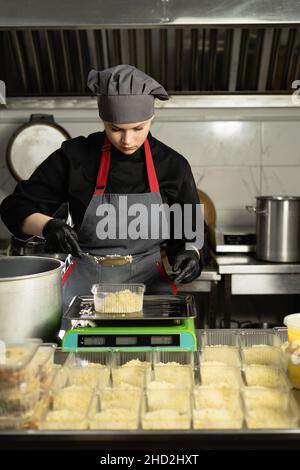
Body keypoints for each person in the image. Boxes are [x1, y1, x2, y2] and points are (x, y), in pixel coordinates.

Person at [0, 65, 202, 313]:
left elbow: (189, 233)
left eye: (138, 128)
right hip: (83, 295)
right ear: (103, 120)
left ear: (151, 118)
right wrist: (48, 226)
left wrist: (191, 255)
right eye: (115, 129)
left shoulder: (172, 165)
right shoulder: (74, 157)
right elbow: (14, 208)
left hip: (148, 295)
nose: (127, 141)